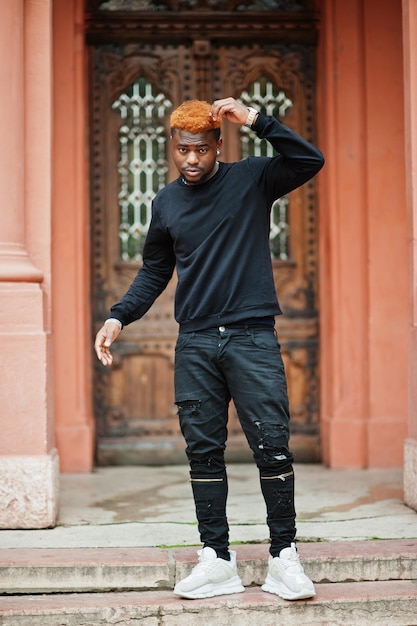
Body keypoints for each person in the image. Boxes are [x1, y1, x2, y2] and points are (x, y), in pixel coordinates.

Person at [95, 97, 324, 601]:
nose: (192, 159)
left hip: (251, 337)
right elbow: (156, 269)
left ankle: (284, 557)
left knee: (272, 446)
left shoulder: (253, 179)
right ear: (172, 148)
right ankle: (216, 559)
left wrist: (256, 119)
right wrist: (119, 315)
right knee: (203, 452)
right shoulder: (166, 203)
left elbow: (310, 160)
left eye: (201, 148)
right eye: (183, 150)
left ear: (219, 144)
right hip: (195, 342)